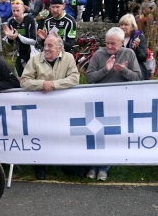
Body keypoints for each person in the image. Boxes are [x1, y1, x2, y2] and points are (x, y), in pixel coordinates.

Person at [20, 33, 79, 179]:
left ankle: (64, 164)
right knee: (40, 136)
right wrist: (41, 84)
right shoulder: (34, 59)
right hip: (40, 109)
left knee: (62, 135)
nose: (46, 48)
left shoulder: (68, 58)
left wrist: (54, 85)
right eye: (45, 45)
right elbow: (24, 81)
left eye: (50, 46)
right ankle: (39, 167)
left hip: (62, 108)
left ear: (59, 48)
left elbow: (74, 78)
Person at [85, 27, 141, 180]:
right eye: (107, 43)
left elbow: (137, 77)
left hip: (119, 103)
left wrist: (123, 71)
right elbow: (89, 77)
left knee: (110, 136)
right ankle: (92, 165)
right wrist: (105, 70)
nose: (109, 46)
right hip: (99, 103)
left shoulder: (129, 53)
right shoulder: (98, 54)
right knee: (96, 135)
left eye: (113, 44)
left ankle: (104, 167)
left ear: (122, 43)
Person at [3, 0, 36, 77]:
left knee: (32, 76)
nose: (16, 13)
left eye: (18, 10)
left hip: (32, 53)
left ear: (23, 10)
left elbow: (34, 41)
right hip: (19, 53)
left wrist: (18, 36)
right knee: (19, 76)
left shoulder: (30, 19)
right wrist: (9, 37)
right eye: (13, 11)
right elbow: (9, 43)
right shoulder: (11, 21)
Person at [118, 14, 150, 80]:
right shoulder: (116, 38)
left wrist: (136, 49)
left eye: (126, 25)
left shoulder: (138, 37)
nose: (123, 27)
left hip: (136, 70)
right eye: (121, 24)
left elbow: (143, 57)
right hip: (119, 71)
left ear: (132, 26)